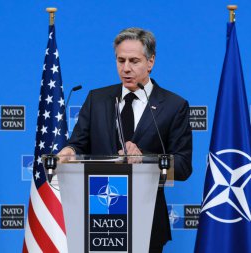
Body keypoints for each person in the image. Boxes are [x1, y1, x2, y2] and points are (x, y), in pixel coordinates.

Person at [58, 27, 192, 252]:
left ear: (150, 61)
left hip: (147, 218)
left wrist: (145, 160)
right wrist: (70, 150)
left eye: (134, 61)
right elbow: (79, 143)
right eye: (121, 60)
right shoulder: (97, 99)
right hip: (100, 215)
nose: (126, 68)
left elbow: (183, 166)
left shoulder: (173, 105)